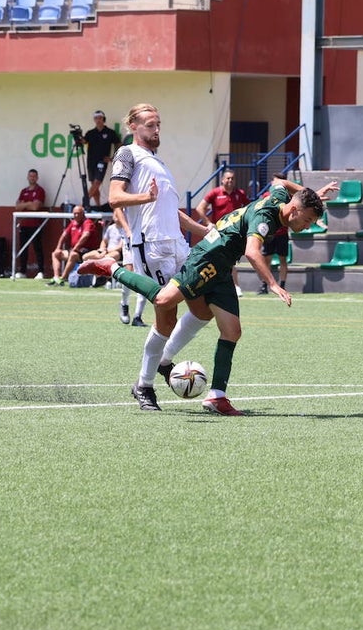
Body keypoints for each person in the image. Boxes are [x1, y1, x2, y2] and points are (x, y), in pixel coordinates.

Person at [79, 176, 338, 416]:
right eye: (307, 220)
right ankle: (111, 267)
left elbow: (279, 181)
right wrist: (273, 283)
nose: (306, 227)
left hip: (224, 264)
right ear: (294, 210)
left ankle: (216, 396)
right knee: (163, 301)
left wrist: (310, 193)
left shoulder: (281, 199)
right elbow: (252, 251)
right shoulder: (266, 217)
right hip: (208, 257)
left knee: (229, 328)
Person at [98, 103, 208, 411]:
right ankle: (144, 385)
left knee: (203, 309)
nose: (156, 129)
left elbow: (173, 213)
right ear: (133, 126)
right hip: (152, 247)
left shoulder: (157, 162)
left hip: (176, 245)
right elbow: (114, 197)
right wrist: (145, 197)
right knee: (167, 315)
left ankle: (164, 360)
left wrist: (207, 234)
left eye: (158, 124)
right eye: (149, 124)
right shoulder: (127, 154)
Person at [195, 167, 249, 297]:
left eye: (232, 178)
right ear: (222, 180)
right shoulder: (215, 193)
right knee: (211, 257)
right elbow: (199, 208)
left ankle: (236, 287)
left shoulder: (240, 193)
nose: (230, 180)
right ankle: (206, 285)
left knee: (229, 259)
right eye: (228, 178)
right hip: (217, 232)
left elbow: (248, 209)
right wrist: (208, 223)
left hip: (234, 233)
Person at [47, 205, 99, 284]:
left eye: (78, 213)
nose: (76, 215)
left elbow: (85, 236)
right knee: (56, 253)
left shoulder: (88, 222)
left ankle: (63, 278)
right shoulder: (73, 223)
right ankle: (56, 277)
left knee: (73, 255)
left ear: (83, 214)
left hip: (85, 252)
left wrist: (75, 248)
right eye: (74, 214)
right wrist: (58, 247)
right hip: (74, 250)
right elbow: (64, 235)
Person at [81, 110, 123, 209]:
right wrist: (78, 136)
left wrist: (113, 158)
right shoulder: (90, 133)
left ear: (103, 119)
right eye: (96, 118)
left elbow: (119, 144)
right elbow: (84, 141)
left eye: (100, 118)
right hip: (91, 161)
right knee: (94, 185)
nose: (98, 120)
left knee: (97, 183)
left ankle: (84, 203)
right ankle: (98, 205)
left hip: (102, 162)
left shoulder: (110, 132)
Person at [14, 168, 47, 279]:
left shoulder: (40, 190)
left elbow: (35, 206)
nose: (32, 178)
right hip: (24, 224)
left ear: (37, 178)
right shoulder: (23, 191)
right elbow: (17, 206)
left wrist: (25, 203)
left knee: (38, 248)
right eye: (30, 176)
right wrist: (29, 204)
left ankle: (41, 272)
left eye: (34, 176)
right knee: (23, 248)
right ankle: (22, 271)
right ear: (27, 177)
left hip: (35, 224)